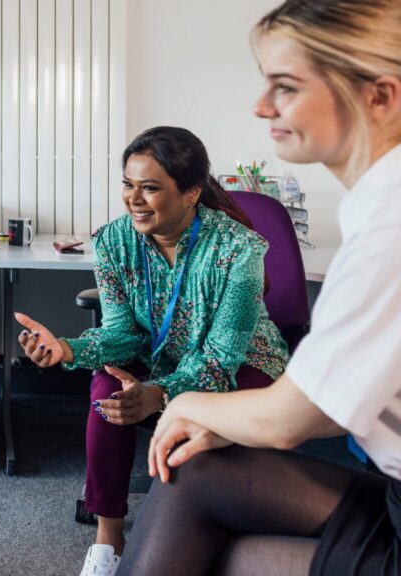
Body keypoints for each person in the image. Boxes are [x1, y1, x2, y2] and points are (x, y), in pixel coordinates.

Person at [117, 1, 401, 574]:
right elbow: (330, 404)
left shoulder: (389, 231)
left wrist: (187, 403)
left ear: (380, 96)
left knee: (225, 546)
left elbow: (289, 419)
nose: (261, 105)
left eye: (287, 87)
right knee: (194, 479)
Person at [14, 126, 289, 576]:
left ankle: (205, 525)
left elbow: (221, 358)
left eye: (150, 188)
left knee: (221, 402)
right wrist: (65, 349)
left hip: (241, 361)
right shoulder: (114, 242)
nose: (133, 199)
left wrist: (159, 393)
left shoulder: (237, 251)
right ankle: (109, 536)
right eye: (127, 184)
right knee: (108, 386)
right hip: (161, 354)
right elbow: (123, 333)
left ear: (191, 192)